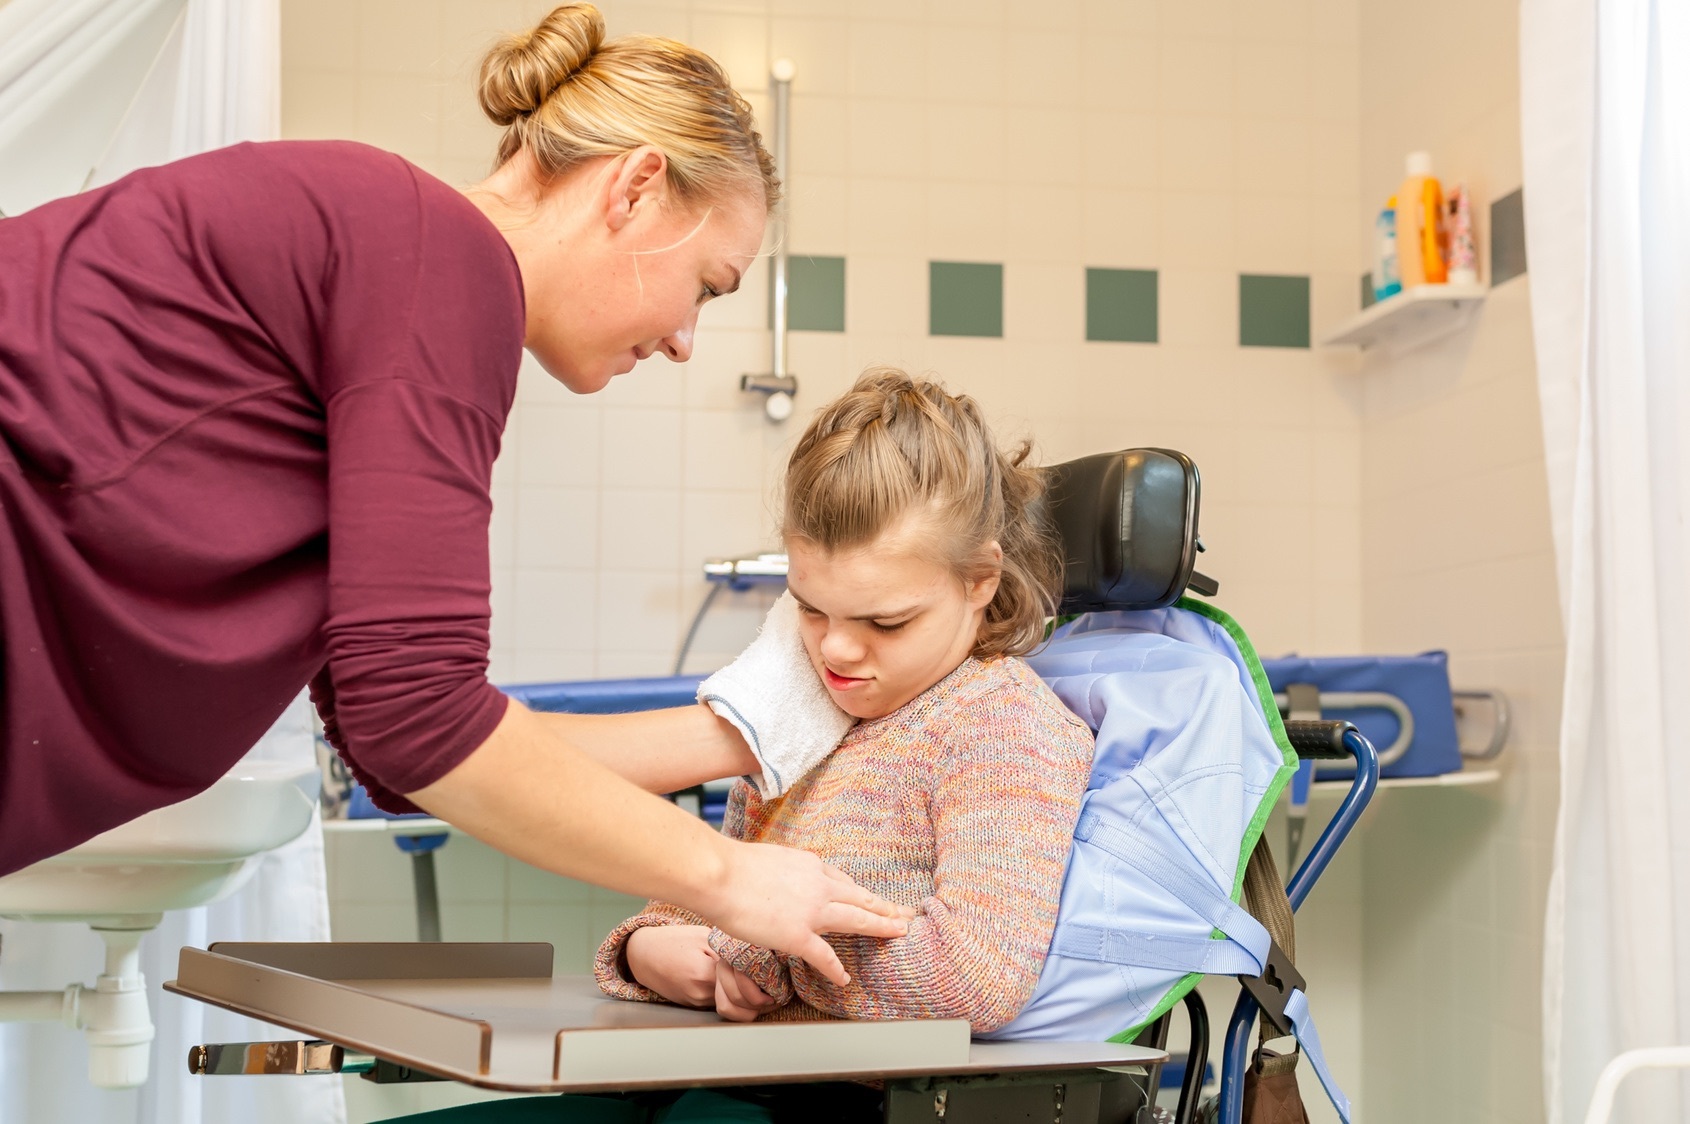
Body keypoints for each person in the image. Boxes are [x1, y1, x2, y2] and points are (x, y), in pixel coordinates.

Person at [0, 3, 906, 979]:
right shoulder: (439, 257)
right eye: (707, 285)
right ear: (636, 187)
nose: (687, 338)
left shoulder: (409, 256)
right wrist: (735, 876)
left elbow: (402, 751)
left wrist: (748, 732)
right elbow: (419, 719)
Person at [597, 369, 1096, 1033]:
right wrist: (644, 950)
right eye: (809, 608)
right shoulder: (798, 715)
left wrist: (760, 955)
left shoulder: (1001, 726)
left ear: (979, 580)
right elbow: (699, 903)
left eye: (883, 623)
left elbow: (975, 981)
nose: (835, 650)